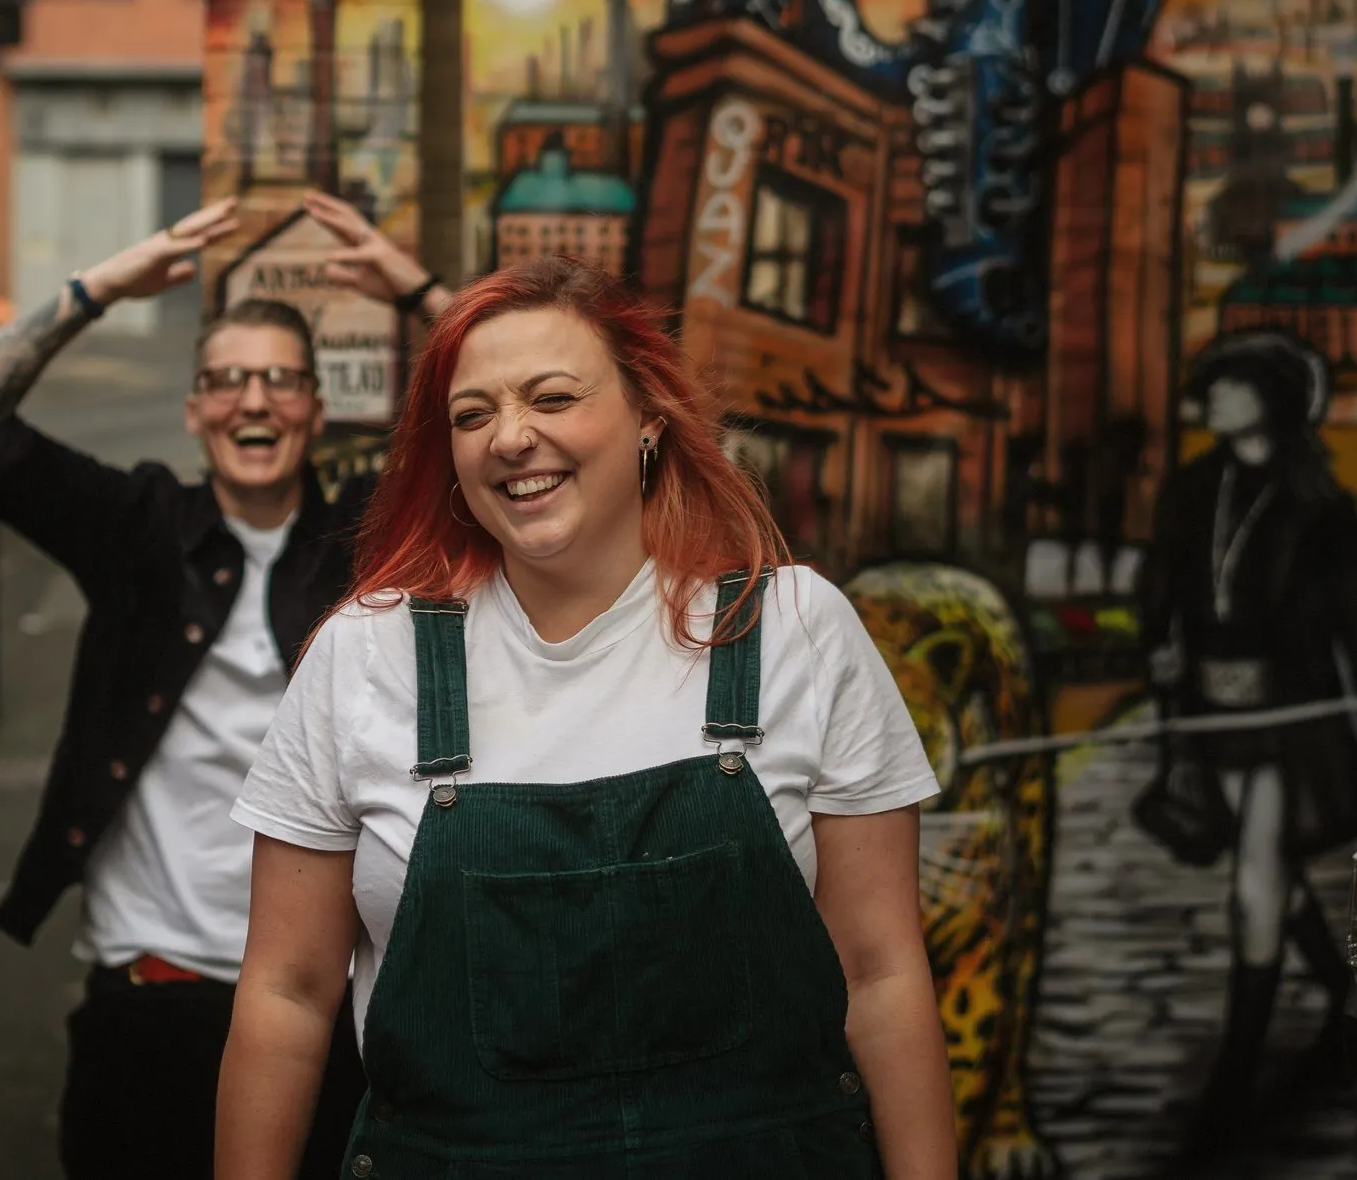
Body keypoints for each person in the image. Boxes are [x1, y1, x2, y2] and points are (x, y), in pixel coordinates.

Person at [214, 257, 957, 1180]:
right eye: (472, 415)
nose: (511, 437)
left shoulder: (795, 628)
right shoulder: (364, 658)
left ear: (649, 418)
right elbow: (288, 990)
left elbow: (882, 970)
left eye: (553, 397)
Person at [0, 189, 452, 1180]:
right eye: (227, 379)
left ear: (316, 412)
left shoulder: (365, 541)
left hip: (327, 1006)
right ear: (195, 405)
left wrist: (417, 292)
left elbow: (510, 426)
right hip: (149, 995)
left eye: (282, 380)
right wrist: (99, 287)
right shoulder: (135, 527)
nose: (254, 399)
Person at [1135, 329, 1357, 1156]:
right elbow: (1162, 584)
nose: (1213, 397)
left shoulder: (1319, 503)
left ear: (1270, 399)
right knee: (1273, 879)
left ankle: (1230, 1094)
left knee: (1255, 886)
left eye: (1231, 384)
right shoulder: (1192, 486)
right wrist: (1157, 652)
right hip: (1214, 720)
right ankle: (1353, 1011)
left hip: (1289, 719)